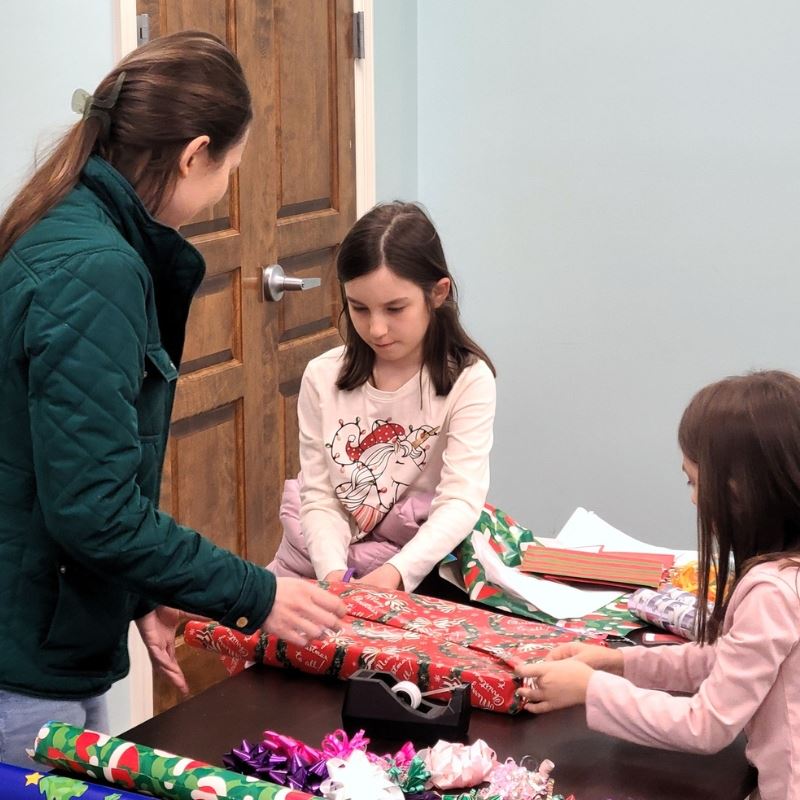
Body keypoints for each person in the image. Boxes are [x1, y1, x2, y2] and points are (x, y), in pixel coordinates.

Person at [0, 30, 345, 768]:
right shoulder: (95, 271)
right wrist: (257, 595)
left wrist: (137, 593)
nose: (223, 191)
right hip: (22, 659)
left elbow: (60, 461)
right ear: (194, 155)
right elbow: (94, 507)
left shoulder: (64, 224)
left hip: (38, 635)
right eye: (229, 171)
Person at [516, 370, 800, 800]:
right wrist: (619, 663)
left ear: (739, 490)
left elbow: (707, 725)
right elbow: (725, 660)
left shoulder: (772, 592)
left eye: (694, 481)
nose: (693, 498)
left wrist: (591, 689)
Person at [268, 202, 496, 592]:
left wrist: (394, 574)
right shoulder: (322, 375)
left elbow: (460, 500)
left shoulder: (469, 380)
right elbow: (320, 496)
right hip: (319, 558)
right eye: (359, 308)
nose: (376, 329)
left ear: (437, 293)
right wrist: (333, 576)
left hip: (414, 565)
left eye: (395, 309)